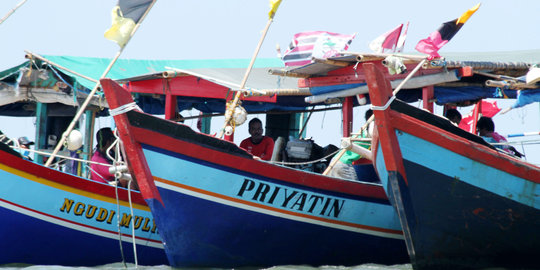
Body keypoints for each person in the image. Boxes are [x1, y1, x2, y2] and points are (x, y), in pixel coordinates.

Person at [327, 109, 373, 181]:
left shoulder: (363, 132)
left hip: (335, 161)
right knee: (355, 189)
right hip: (344, 164)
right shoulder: (371, 131)